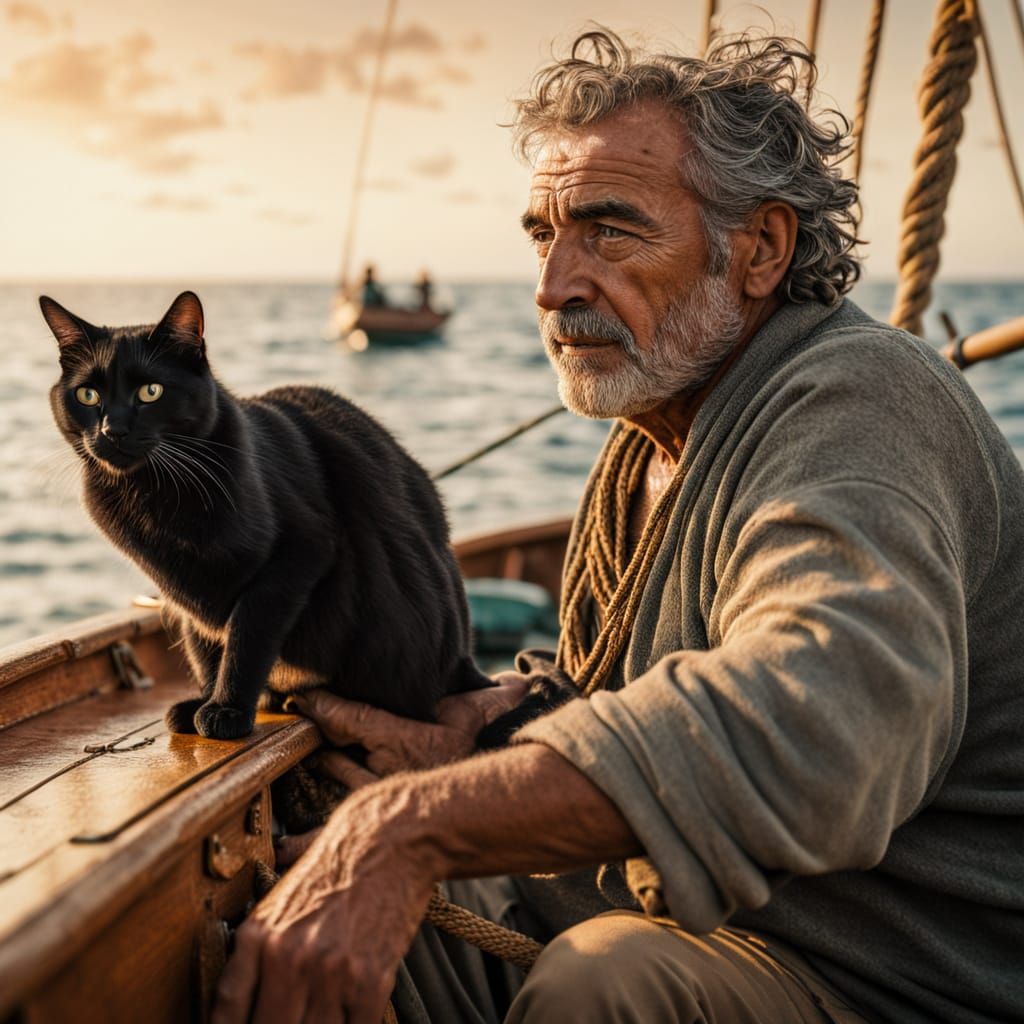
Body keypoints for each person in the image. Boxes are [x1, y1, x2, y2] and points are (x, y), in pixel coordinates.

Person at [213, 28, 1024, 1024]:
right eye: (541, 236)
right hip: (715, 919)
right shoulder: (646, 441)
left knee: (604, 983)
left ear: (761, 248)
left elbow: (823, 722)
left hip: (885, 983)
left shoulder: (860, 408)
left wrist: (408, 830)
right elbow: (631, 690)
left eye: (608, 230)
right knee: (272, 904)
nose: (554, 286)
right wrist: (491, 728)